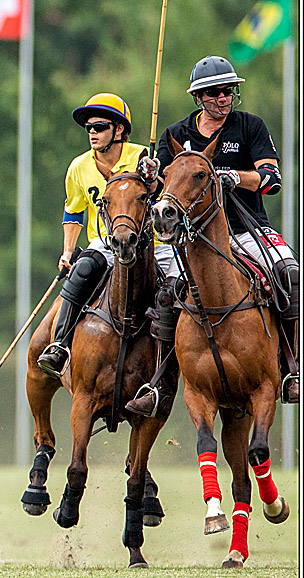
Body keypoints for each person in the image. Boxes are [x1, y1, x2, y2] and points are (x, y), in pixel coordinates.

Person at [126, 56, 298, 413]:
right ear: (200, 96)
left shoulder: (250, 126)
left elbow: (271, 178)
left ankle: (291, 369)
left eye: (229, 91)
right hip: (195, 239)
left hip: (247, 228)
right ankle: (160, 382)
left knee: (290, 274)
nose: (224, 98)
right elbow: (161, 189)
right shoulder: (176, 135)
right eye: (216, 92)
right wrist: (149, 173)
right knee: (165, 293)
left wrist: (236, 176)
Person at [36, 93, 182, 415]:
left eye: (99, 126)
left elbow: (165, 194)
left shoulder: (142, 157)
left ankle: (166, 375)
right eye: (88, 127)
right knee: (83, 269)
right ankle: (60, 345)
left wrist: (156, 177)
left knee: (176, 294)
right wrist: (67, 251)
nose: (92, 132)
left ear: (119, 130)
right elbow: (73, 213)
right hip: (105, 242)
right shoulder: (78, 167)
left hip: (152, 246)